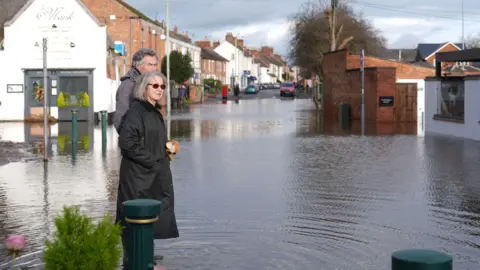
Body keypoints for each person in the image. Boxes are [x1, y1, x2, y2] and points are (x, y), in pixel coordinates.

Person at [116, 71, 179, 269]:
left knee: (150, 221)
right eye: (155, 86)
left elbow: (148, 139)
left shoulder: (153, 111)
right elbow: (127, 142)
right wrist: (153, 161)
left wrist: (166, 146)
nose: (160, 90)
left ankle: (146, 262)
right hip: (138, 179)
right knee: (135, 224)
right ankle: (135, 264)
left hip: (152, 176)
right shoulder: (137, 111)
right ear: (144, 87)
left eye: (162, 86)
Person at [114, 48, 159, 134]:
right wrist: (132, 143)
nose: (154, 69)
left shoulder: (147, 83)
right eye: (150, 65)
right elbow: (120, 119)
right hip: (137, 143)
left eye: (155, 65)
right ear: (138, 65)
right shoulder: (128, 85)